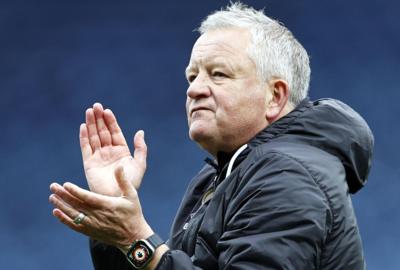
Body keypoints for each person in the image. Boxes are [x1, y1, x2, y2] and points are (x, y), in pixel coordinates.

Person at [49, 2, 374, 269]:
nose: (194, 89)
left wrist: (137, 241)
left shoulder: (286, 176)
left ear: (275, 96)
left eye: (218, 74)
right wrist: (115, 218)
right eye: (192, 76)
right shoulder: (222, 175)